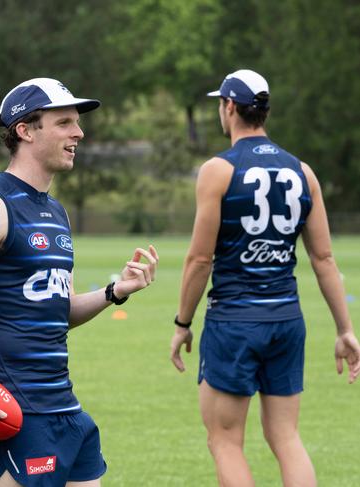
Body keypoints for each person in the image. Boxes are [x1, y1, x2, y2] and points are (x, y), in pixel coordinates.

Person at [0, 77, 159, 487]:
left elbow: (61, 311)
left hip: (66, 411)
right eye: (64, 123)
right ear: (25, 130)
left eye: (76, 122)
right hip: (14, 416)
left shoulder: (57, 213)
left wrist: (114, 292)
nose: (79, 132)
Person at [169, 69, 360, 487]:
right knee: (286, 437)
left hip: (235, 322)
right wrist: (345, 329)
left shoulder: (218, 170)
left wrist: (183, 323)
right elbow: (324, 257)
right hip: (287, 322)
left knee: (224, 441)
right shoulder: (303, 172)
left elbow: (200, 258)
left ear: (230, 107)